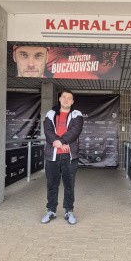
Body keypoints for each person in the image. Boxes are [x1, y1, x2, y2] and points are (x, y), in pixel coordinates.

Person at [40, 90, 83, 225]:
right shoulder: (50, 114)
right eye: (64, 97)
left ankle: (69, 211)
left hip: (69, 156)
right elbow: (47, 130)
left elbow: (75, 131)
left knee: (69, 185)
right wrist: (58, 142)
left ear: (72, 102)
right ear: (59, 99)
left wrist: (62, 141)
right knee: (52, 185)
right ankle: (51, 211)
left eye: (69, 98)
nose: (66, 100)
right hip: (52, 156)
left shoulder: (77, 115)